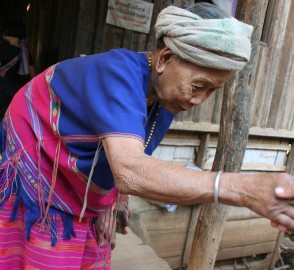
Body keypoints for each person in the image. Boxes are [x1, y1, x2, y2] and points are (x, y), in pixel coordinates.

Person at [0, 2, 293, 269]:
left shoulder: (168, 96)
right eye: (199, 85)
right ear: (165, 58)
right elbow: (129, 170)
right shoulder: (118, 73)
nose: (198, 100)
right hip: (35, 145)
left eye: (211, 91)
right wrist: (244, 189)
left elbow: (130, 155)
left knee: (93, 247)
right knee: (53, 243)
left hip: (81, 167)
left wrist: (113, 201)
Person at [0, 20, 35, 121]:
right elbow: (32, 74)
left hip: (3, 91)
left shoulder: (4, 50)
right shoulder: (25, 51)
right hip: (18, 92)